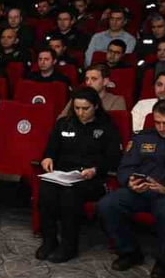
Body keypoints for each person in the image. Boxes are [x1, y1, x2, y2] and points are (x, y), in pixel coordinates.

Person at [97, 99, 165, 278]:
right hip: (140, 190)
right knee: (107, 205)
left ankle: (164, 262)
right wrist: (130, 181)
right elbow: (124, 168)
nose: (162, 127)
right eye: (157, 122)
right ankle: (129, 252)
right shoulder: (141, 138)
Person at [36, 88, 123, 263]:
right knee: (46, 190)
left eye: (85, 108)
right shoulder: (64, 123)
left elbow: (113, 158)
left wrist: (95, 169)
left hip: (92, 178)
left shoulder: (107, 126)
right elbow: (51, 148)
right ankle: (49, 240)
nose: (80, 113)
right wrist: (47, 158)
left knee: (70, 195)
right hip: (64, 174)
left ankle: (69, 245)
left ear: (96, 106)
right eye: (77, 108)